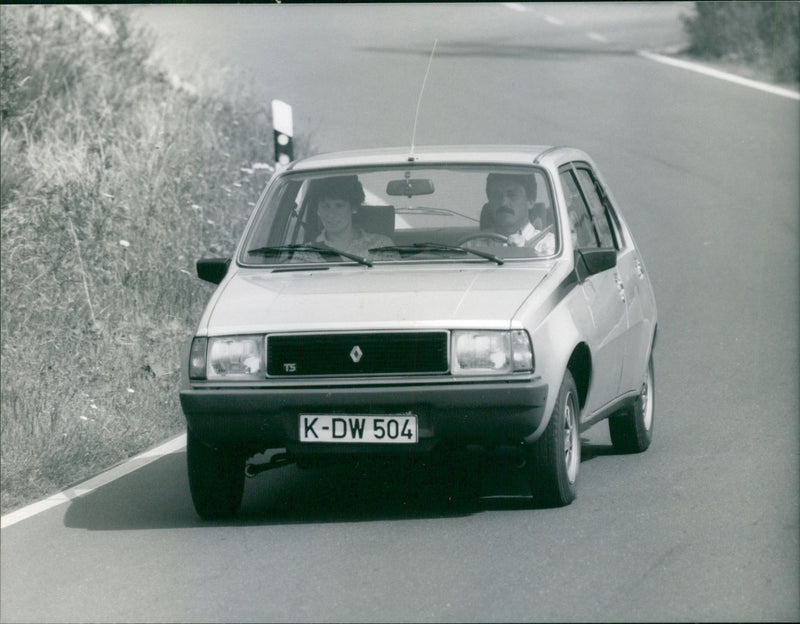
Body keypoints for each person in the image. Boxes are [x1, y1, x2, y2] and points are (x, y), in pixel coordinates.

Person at [297, 175, 396, 261]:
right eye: (325, 206)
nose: (331, 214)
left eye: (339, 206)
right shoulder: (306, 254)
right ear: (318, 209)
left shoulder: (381, 246)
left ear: (353, 207)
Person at [479, 172, 555, 255]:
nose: (503, 203)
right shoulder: (472, 246)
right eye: (497, 195)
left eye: (512, 195)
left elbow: (554, 266)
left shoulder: (550, 243)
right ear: (490, 203)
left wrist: (528, 252)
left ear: (530, 201)